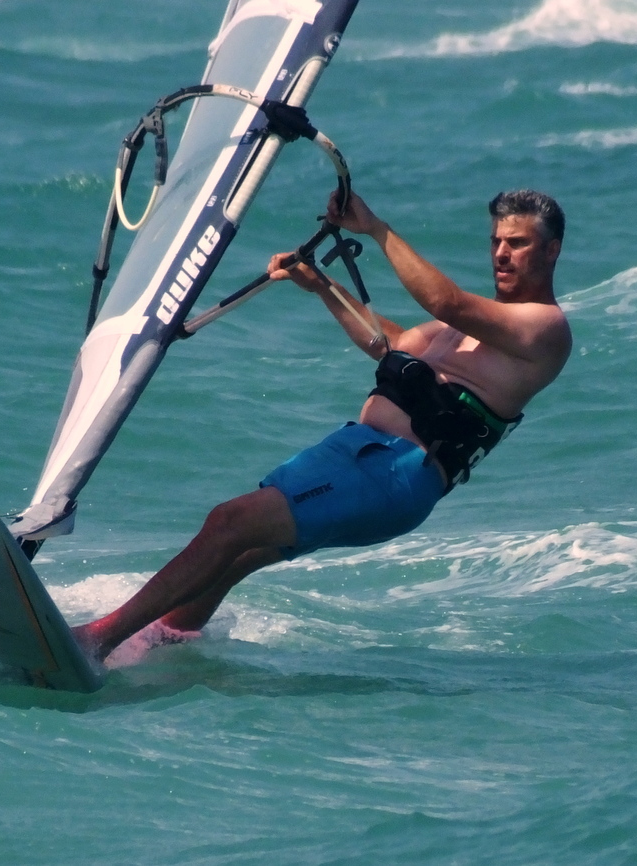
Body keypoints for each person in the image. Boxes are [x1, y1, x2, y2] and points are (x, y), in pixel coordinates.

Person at [71, 189, 573, 663]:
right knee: (242, 551)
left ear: (551, 251)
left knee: (230, 522)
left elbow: (446, 302)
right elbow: (389, 346)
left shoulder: (544, 328)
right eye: (496, 241)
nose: (501, 253)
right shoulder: (469, 332)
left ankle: (96, 640)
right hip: (358, 452)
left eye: (517, 243)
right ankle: (164, 642)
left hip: (393, 472)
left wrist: (374, 227)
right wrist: (323, 287)